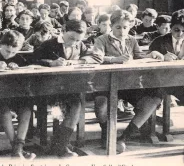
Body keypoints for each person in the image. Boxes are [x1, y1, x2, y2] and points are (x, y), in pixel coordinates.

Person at [92, 9, 163, 153]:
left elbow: (139, 56)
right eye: (118, 27)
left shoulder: (131, 40)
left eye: (125, 27)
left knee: (153, 100)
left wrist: (152, 54)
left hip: (129, 84)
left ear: (129, 26)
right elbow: (96, 57)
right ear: (111, 26)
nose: (122, 31)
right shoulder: (102, 39)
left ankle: (124, 138)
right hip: (106, 84)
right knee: (101, 104)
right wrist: (114, 60)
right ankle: (106, 133)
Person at [33, 20, 101, 157]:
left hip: (68, 87)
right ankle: (61, 144)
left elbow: (93, 57)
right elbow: (34, 59)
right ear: (63, 30)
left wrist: (78, 61)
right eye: (71, 38)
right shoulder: (49, 44)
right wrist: (51, 63)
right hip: (48, 89)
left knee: (76, 105)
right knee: (66, 108)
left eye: (77, 40)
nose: (73, 43)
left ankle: (60, 144)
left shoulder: (79, 45)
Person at [0, 30, 36, 160]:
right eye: (7, 51)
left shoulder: (19, 58)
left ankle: (17, 148)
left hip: (15, 97)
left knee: (27, 110)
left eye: (14, 52)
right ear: (1, 45)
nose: (10, 55)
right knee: (5, 113)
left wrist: (19, 69)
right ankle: (17, 150)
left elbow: (29, 72)